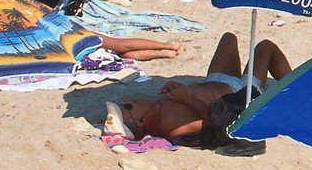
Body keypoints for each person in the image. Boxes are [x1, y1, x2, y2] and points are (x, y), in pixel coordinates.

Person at [104, 34, 288, 144]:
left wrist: (177, 91)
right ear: (141, 122)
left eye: (123, 103)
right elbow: (215, 124)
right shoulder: (168, 125)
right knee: (265, 46)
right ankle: (296, 89)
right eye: (127, 108)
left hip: (215, 81)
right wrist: (186, 97)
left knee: (229, 38)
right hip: (239, 93)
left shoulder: (156, 107)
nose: (129, 100)